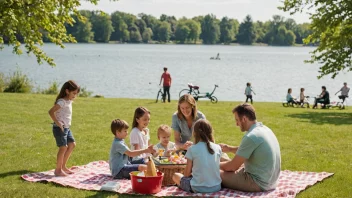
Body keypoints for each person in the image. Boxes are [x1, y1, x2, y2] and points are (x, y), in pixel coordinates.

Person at [219, 103, 281, 192]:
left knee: (213, 172)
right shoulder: (265, 129)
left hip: (257, 183)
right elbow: (249, 150)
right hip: (271, 181)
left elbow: (232, 167)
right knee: (222, 155)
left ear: (244, 119)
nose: (236, 124)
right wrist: (229, 148)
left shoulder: (251, 136)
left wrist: (211, 164)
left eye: (237, 120)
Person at [172, 119, 222, 193]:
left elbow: (186, 174)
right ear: (210, 132)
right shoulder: (217, 147)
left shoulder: (192, 149)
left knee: (176, 176)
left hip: (197, 188)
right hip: (216, 187)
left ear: (194, 133)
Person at [48, 80, 80, 176]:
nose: (75, 96)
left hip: (66, 128)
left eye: (76, 93)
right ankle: (58, 170)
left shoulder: (68, 101)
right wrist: (58, 123)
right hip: (60, 128)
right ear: (67, 91)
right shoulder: (62, 102)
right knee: (63, 147)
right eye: (73, 93)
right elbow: (51, 111)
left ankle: (63, 167)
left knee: (72, 144)